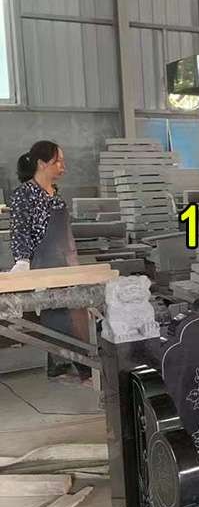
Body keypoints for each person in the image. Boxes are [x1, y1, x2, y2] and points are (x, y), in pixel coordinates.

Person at [9, 141, 92, 384]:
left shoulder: (55, 195)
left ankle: (75, 367)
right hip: (46, 266)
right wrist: (22, 261)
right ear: (42, 163)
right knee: (59, 318)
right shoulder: (24, 195)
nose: (63, 166)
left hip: (68, 262)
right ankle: (76, 369)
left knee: (78, 314)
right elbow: (20, 231)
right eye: (58, 161)